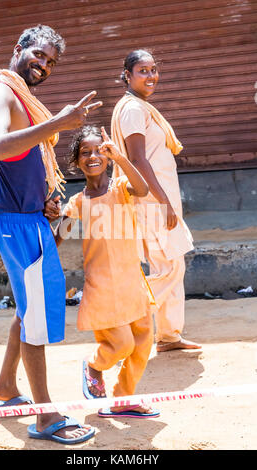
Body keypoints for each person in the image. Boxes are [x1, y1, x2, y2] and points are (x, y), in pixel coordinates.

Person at [0, 24, 102, 445]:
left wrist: (45, 202)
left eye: (52, 62)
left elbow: (25, 164)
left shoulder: (24, 99)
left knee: (26, 310)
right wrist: (57, 123)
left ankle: (4, 389)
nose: (44, 65)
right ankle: (46, 416)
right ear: (18, 49)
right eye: (39, 55)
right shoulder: (2, 94)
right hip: (17, 225)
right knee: (34, 320)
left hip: (27, 218)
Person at [53, 125, 160, 418]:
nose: (93, 156)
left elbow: (143, 189)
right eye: (84, 152)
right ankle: (93, 365)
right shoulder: (77, 202)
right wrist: (48, 214)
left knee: (142, 343)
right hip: (102, 287)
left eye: (99, 150)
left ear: (108, 155)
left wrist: (122, 158)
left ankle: (123, 399)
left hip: (132, 281)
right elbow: (56, 238)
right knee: (121, 344)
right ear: (77, 162)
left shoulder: (121, 188)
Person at [111, 49, 201, 353]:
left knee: (172, 263)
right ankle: (127, 316)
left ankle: (169, 336)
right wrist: (163, 201)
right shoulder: (133, 109)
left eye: (153, 69)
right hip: (151, 202)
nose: (151, 76)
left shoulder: (140, 106)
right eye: (142, 70)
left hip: (158, 200)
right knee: (169, 267)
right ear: (127, 75)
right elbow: (136, 159)